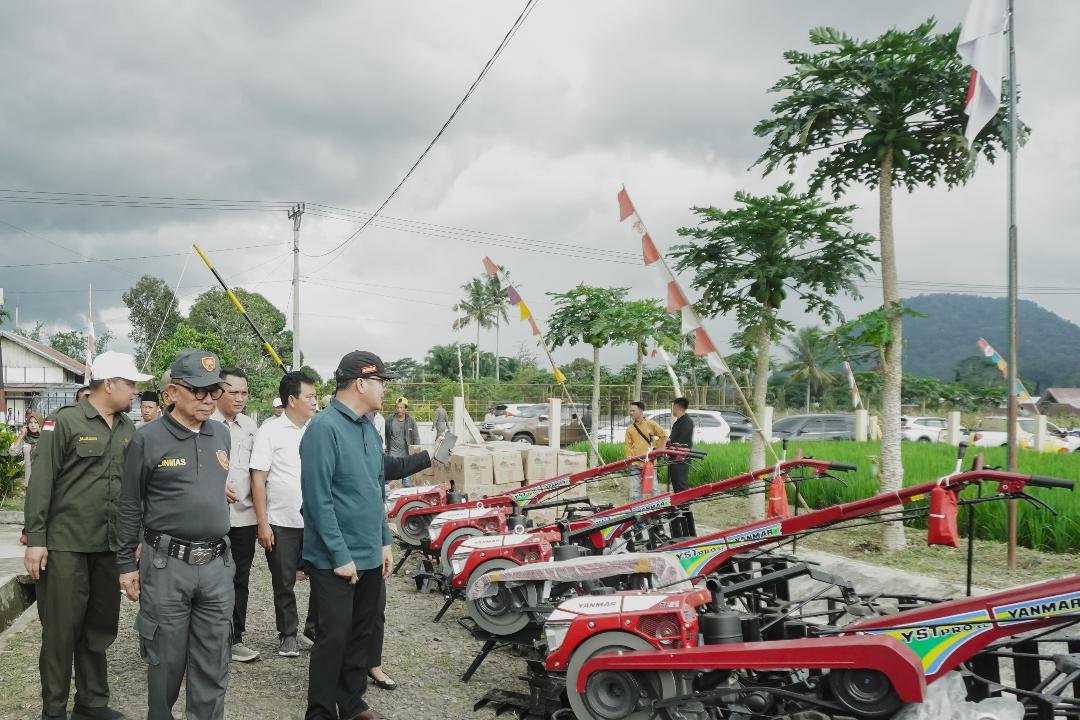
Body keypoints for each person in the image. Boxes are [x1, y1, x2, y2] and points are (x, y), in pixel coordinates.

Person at [24, 351, 148, 720]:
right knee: (61, 632)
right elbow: (41, 482)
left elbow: (134, 491)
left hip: (109, 546)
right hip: (66, 546)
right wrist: (36, 540)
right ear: (108, 384)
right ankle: (54, 710)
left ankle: (92, 703)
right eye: (130, 384)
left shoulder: (129, 428)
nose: (136, 392)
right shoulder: (64, 422)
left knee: (99, 628)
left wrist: (136, 536)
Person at [117, 349, 234, 720]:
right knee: (165, 660)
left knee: (214, 659)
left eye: (213, 392)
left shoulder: (221, 435)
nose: (206, 400)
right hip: (167, 566)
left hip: (216, 564)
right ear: (171, 394)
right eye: (197, 391)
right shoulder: (147, 439)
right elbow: (129, 505)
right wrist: (125, 564)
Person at [301, 350, 398, 720]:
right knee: (334, 638)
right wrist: (341, 555)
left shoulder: (368, 428)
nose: (384, 390)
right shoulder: (323, 428)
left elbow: (375, 490)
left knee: (362, 634)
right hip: (335, 559)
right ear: (361, 383)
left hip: (370, 552)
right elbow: (317, 498)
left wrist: (384, 541)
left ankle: (352, 701)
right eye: (380, 382)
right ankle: (321, 711)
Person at [251, 370, 318, 658]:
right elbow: (257, 479)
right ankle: (288, 634)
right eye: (310, 396)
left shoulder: (318, 429)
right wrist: (262, 523)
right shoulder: (270, 431)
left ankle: (314, 630)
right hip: (281, 522)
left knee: (324, 578)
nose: (315, 402)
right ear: (292, 400)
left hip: (317, 522)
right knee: (284, 581)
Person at [210, 367, 261, 664]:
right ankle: (208, 637)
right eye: (234, 392)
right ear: (218, 391)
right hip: (211, 517)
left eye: (244, 392)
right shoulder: (205, 423)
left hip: (244, 518)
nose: (240, 398)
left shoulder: (251, 427)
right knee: (209, 579)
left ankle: (234, 638)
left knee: (239, 578)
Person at [623, 400, 668, 501]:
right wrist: (630, 458)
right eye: (630, 411)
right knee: (635, 489)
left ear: (641, 410)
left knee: (654, 488)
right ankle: (637, 511)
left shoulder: (651, 424)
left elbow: (664, 436)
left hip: (649, 462)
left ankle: (657, 510)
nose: (631, 413)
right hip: (635, 462)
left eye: (633, 411)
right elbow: (628, 445)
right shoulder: (630, 428)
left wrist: (657, 449)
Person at [11, 411, 42, 545]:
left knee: (43, 507)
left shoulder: (47, 438)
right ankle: (28, 533)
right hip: (30, 479)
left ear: (40, 423)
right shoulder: (25, 439)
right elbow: (12, 452)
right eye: (30, 423)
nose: (33, 425)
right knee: (30, 508)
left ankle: (43, 533)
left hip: (45, 477)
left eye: (36, 422)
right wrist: (21, 434)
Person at [385, 397, 420, 488]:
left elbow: (416, 436)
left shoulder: (411, 420)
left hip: (406, 454)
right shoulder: (389, 420)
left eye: (401, 407)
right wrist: (386, 450)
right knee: (391, 481)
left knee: (407, 482)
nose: (399, 410)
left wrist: (416, 451)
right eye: (397, 407)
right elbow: (386, 435)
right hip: (392, 454)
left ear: (406, 408)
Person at [667, 398, 695, 493]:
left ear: (677, 406)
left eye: (673, 407)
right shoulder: (678, 422)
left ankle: (685, 507)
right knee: (676, 484)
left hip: (681, 459)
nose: (672, 410)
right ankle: (678, 506)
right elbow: (671, 439)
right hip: (673, 458)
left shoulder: (687, 422)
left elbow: (681, 443)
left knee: (681, 484)